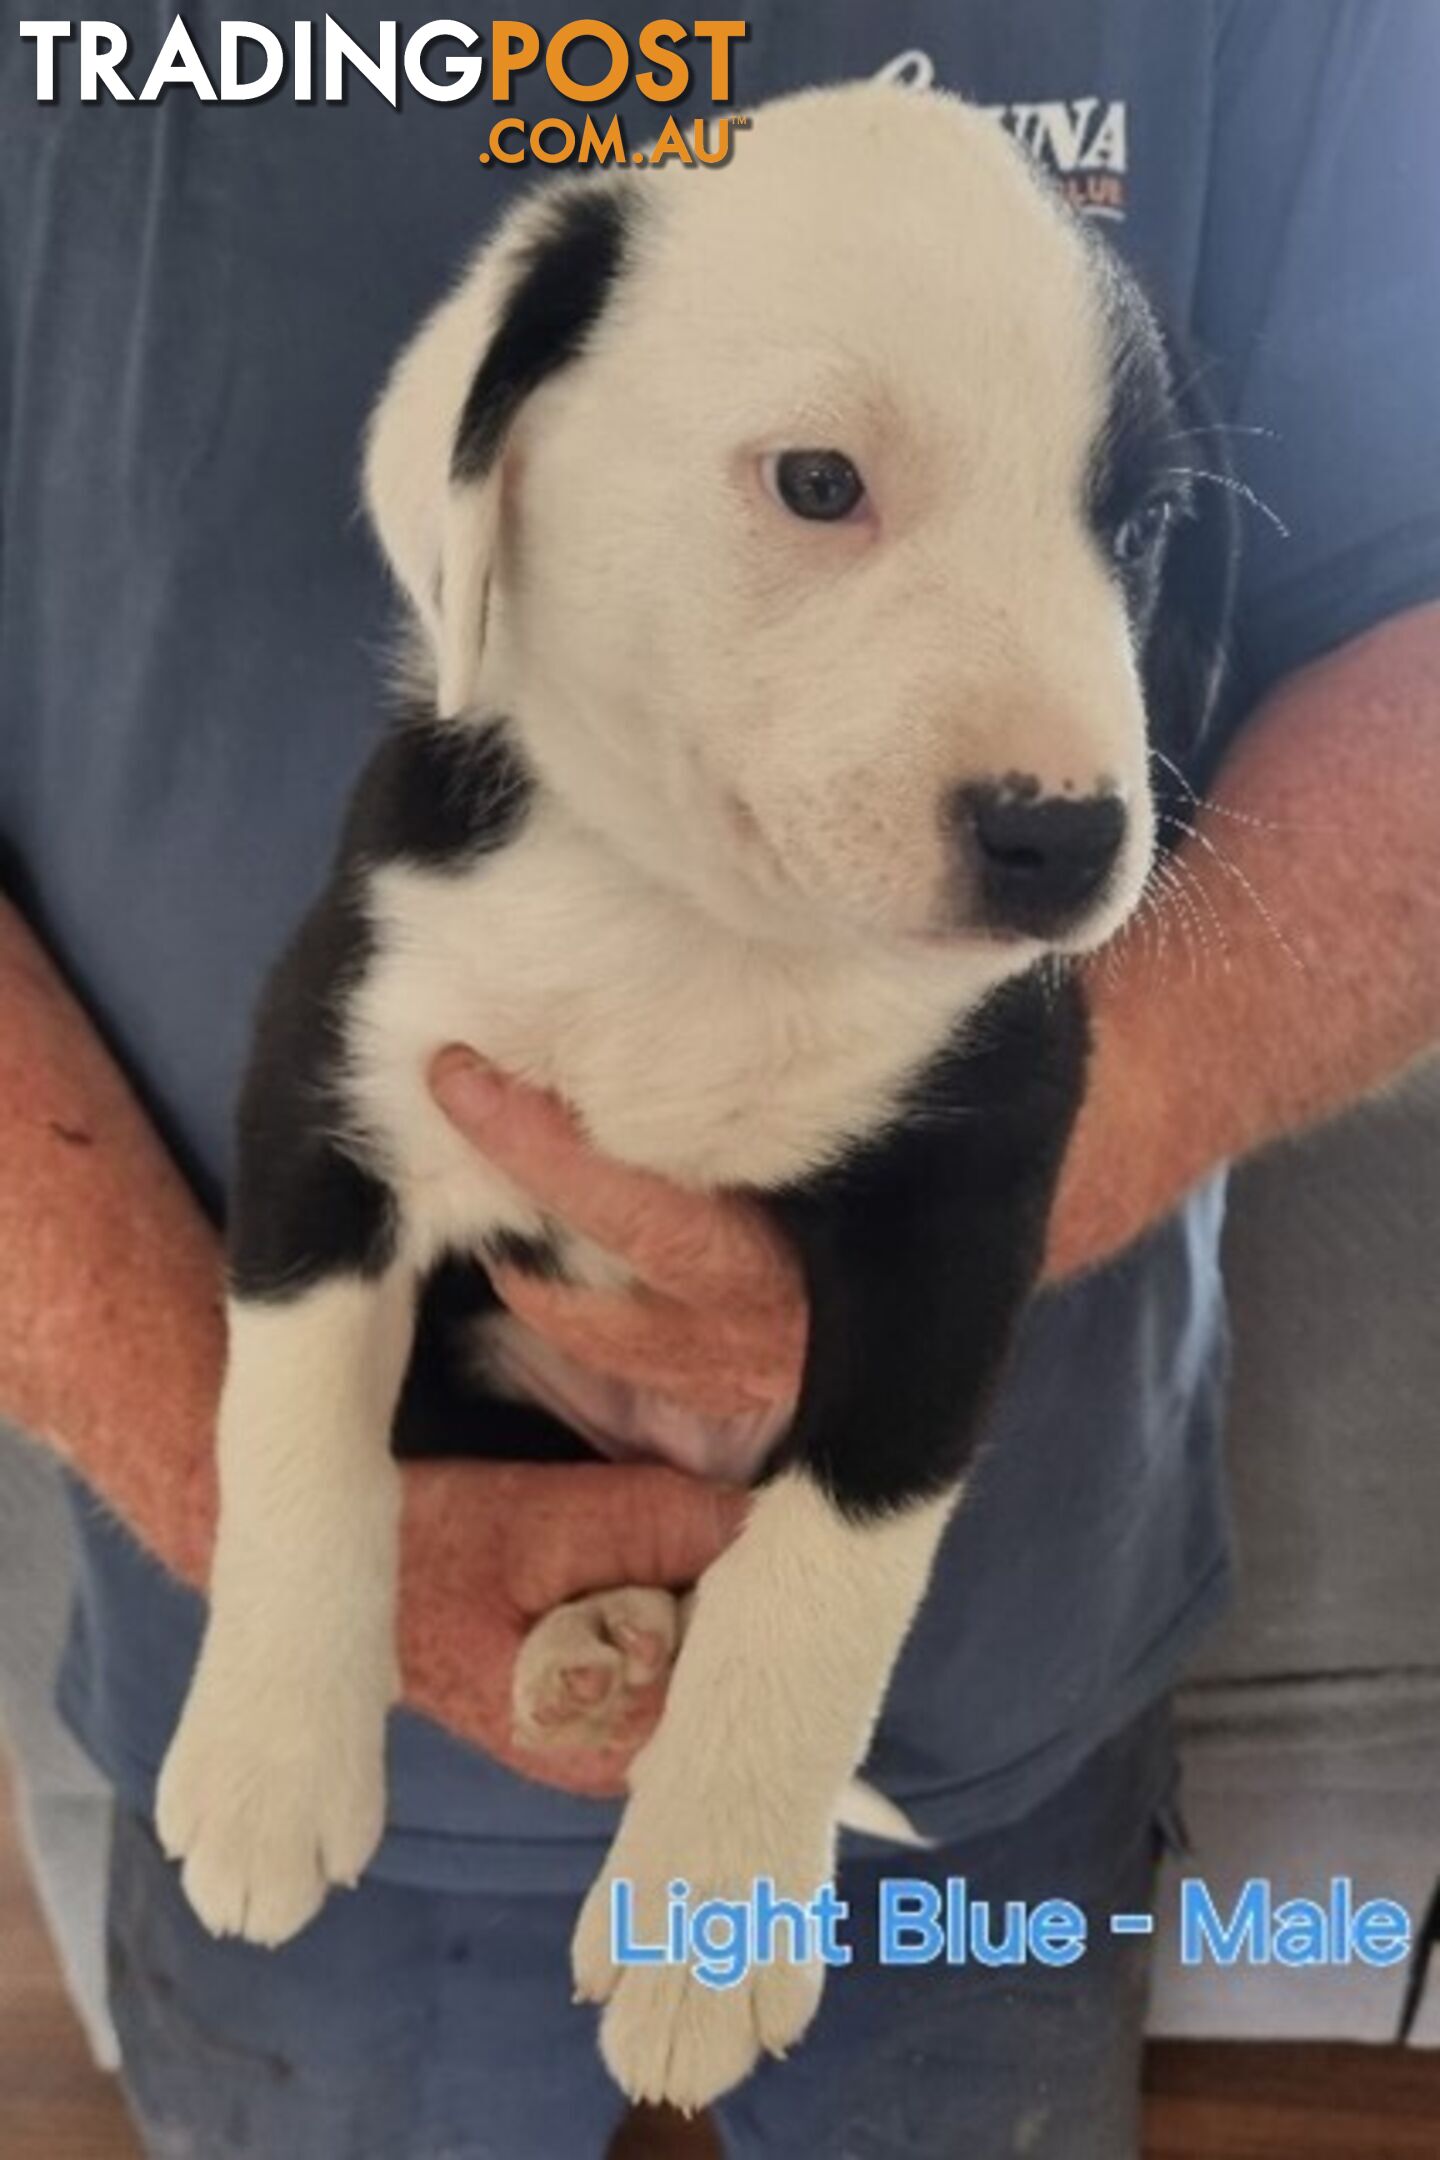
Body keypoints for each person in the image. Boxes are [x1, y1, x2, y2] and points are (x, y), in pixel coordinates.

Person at [1, 4, 1438, 2154]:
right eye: (821, 488)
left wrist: (1006, 1170)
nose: (1069, 758)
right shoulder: (441, 830)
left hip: (981, 1714)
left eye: (1111, 528)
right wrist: (277, 1547)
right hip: (276, 1676)